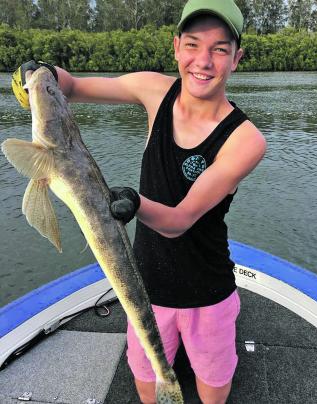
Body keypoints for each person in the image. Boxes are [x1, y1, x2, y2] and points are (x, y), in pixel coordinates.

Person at [12, 0, 266, 402]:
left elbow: (180, 219)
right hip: (144, 282)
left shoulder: (245, 139)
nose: (203, 60)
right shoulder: (154, 90)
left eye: (219, 49)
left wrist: (133, 201)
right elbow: (71, 86)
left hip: (208, 290)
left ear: (237, 57)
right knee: (147, 379)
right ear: (176, 46)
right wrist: (41, 74)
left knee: (213, 386)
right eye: (193, 44)